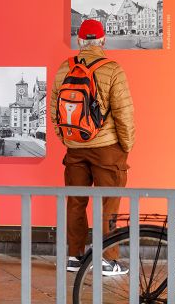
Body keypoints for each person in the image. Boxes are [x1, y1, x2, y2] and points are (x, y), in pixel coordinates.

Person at [50, 19, 135, 276]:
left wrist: (65, 139)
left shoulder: (65, 68)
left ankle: (75, 258)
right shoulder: (113, 69)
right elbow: (124, 114)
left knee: (75, 202)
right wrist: (126, 145)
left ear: (79, 41)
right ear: (103, 40)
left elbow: (55, 111)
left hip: (74, 148)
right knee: (108, 203)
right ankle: (107, 260)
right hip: (107, 148)